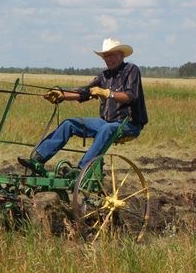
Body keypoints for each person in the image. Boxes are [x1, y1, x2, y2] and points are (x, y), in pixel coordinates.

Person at [18, 37, 148, 175]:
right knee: (69, 123)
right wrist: (62, 95)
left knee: (106, 128)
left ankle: (81, 169)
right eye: (106, 56)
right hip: (106, 122)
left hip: (129, 124)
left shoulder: (131, 70)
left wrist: (107, 93)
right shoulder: (104, 75)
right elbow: (84, 92)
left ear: (121, 55)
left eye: (111, 55)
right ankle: (38, 159)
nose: (108, 59)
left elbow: (131, 96)